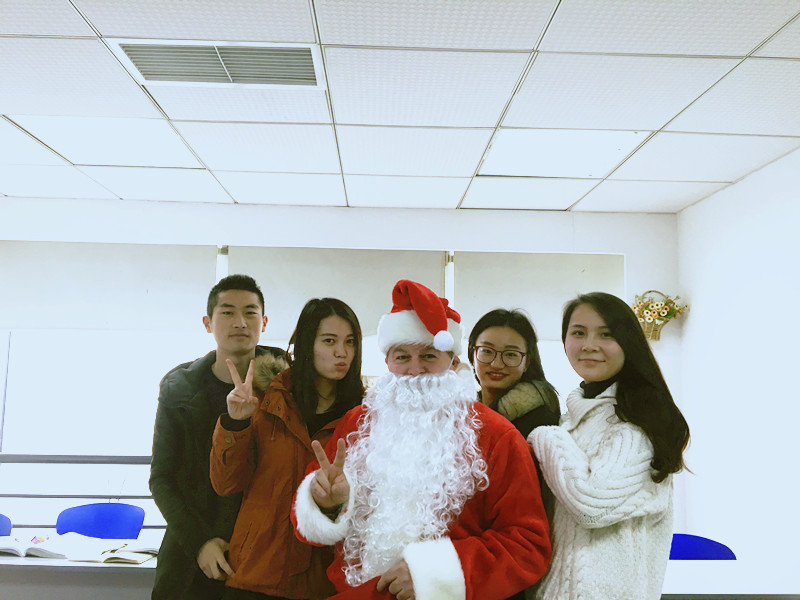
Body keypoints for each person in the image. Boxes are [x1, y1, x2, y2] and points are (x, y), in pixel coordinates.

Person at [293, 280, 551, 600]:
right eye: (402, 356)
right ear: (387, 362)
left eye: (429, 355)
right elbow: (309, 526)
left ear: (453, 361)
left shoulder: (497, 436)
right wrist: (327, 505)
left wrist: (433, 575)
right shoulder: (356, 424)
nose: (415, 370)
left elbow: (527, 545)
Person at [528, 292, 690, 600]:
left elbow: (591, 505)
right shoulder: (573, 419)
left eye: (606, 334)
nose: (589, 345)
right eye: (578, 333)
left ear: (628, 342)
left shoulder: (637, 423)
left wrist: (542, 435)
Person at [210, 297, 364, 600]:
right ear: (307, 344)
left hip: (324, 578)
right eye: (329, 341)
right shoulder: (267, 400)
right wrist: (236, 423)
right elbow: (226, 484)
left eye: (350, 342)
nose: (341, 352)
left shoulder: (364, 415)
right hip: (258, 571)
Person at [150, 274, 287, 600]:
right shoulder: (179, 388)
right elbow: (162, 478)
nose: (240, 322)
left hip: (265, 556)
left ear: (264, 322)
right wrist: (200, 543)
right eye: (227, 312)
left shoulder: (286, 384)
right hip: (192, 553)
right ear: (207, 323)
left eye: (250, 312)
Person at [467, 309, 559, 438]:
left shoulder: (540, 419)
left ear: (527, 362)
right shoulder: (462, 411)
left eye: (510, 354)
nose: (496, 364)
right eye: (487, 351)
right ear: (472, 354)